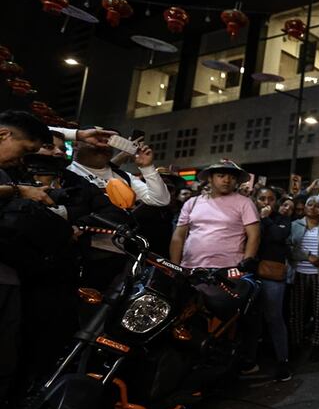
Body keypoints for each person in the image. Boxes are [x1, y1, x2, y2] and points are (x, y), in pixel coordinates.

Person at [0, 111, 57, 406]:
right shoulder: (13, 184)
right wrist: (19, 191)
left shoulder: (11, 175)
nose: (23, 160)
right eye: (25, 150)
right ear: (3, 135)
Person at [70, 127, 171, 291]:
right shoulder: (66, 172)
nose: (102, 144)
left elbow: (160, 200)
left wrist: (147, 167)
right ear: (76, 144)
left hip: (117, 254)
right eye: (97, 140)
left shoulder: (123, 176)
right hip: (76, 253)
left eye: (107, 141)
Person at [169, 159, 261, 295]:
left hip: (228, 270)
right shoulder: (192, 203)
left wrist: (245, 265)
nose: (227, 180)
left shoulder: (245, 203)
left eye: (232, 177)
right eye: (221, 176)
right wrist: (175, 267)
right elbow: (179, 236)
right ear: (210, 178)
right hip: (190, 268)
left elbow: (254, 235)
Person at [243, 186, 293, 381]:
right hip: (250, 274)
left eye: (270, 199)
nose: (266, 202)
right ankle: (249, 360)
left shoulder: (282, 219)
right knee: (251, 319)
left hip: (271, 276)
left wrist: (265, 218)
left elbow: (278, 236)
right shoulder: (249, 217)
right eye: (262, 198)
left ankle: (283, 361)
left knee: (274, 317)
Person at [287, 195, 319, 362]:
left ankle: (318, 343)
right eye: (310, 204)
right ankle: (296, 343)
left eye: (317, 205)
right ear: (304, 207)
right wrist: (308, 256)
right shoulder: (295, 225)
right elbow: (289, 248)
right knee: (297, 311)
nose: (313, 208)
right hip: (299, 274)